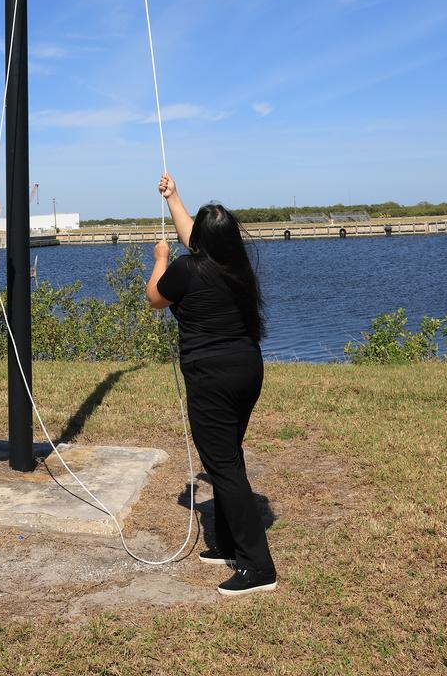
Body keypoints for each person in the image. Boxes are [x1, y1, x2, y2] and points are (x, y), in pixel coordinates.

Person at [146, 172, 277, 596]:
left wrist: (159, 260)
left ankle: (258, 567)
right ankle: (224, 541)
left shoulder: (185, 269)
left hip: (212, 378)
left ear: (198, 243)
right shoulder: (236, 264)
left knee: (223, 463)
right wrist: (174, 197)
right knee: (227, 455)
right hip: (246, 370)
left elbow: (154, 298)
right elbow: (196, 239)